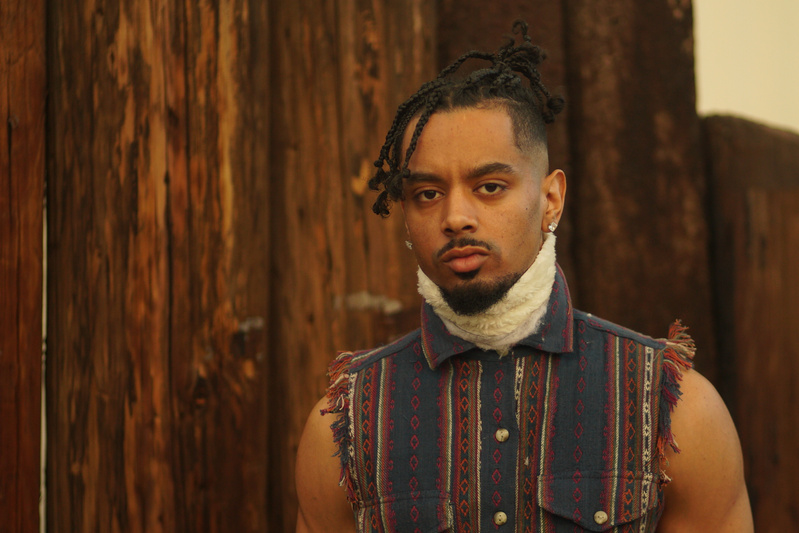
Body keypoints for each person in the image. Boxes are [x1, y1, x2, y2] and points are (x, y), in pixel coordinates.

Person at [295, 21, 752, 532]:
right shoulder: (346, 425)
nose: (455, 217)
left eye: (489, 186)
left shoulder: (671, 407)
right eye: (428, 194)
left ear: (550, 199)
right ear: (405, 214)